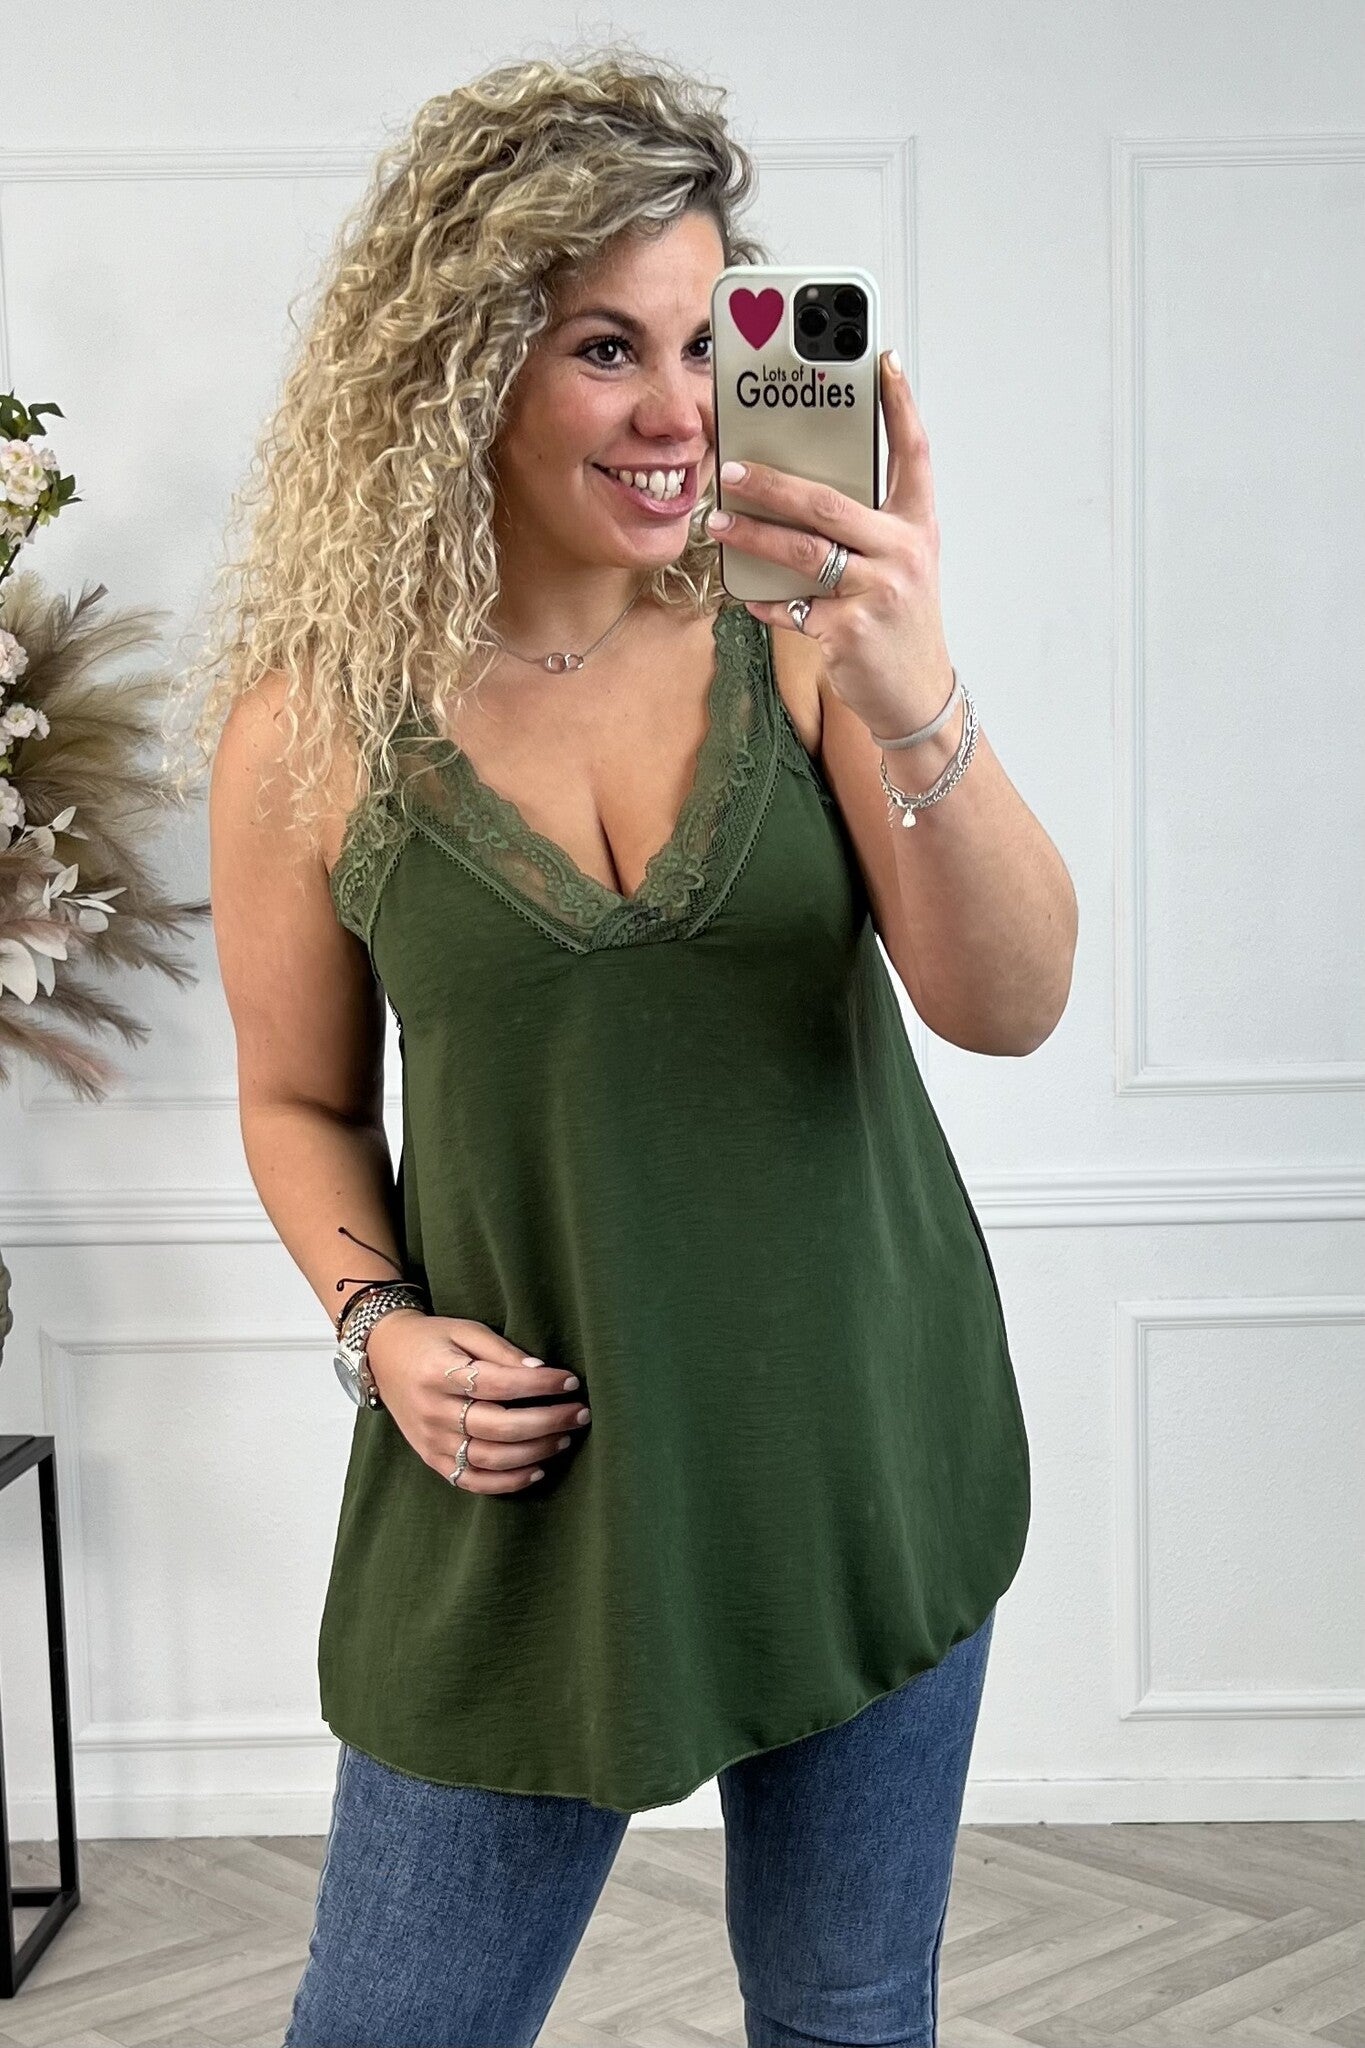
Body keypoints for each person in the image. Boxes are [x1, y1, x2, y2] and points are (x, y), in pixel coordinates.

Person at [198, 44, 1075, 2048]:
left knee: (846, 2018)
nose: (679, 411)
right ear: (461, 367)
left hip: (860, 1454)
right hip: (535, 1517)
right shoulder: (311, 729)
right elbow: (297, 1097)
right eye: (606, 347)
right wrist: (375, 1326)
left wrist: (908, 674)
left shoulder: (798, 639)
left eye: (701, 343)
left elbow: (1007, 1004)